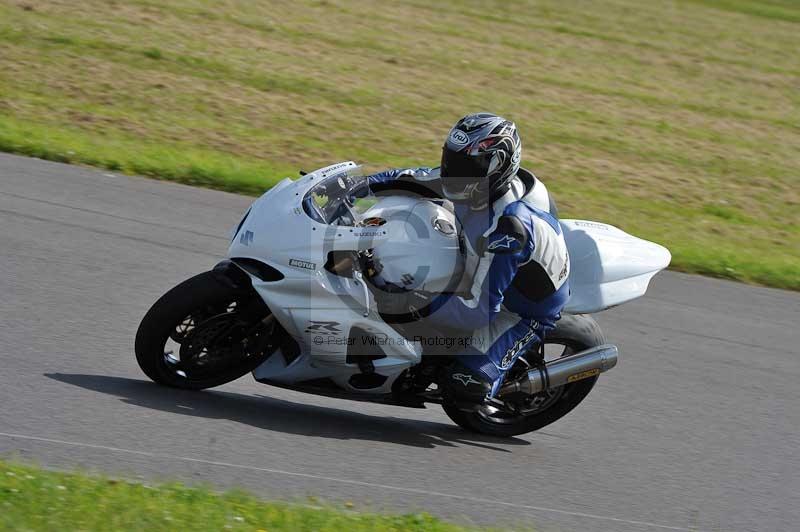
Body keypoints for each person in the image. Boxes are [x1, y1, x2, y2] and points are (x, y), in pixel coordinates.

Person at [367, 113, 571, 409]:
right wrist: (353, 186)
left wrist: (408, 300)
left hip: (519, 310)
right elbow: (408, 178)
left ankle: (487, 377)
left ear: (498, 167)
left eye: (467, 167)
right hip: (479, 261)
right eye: (452, 161)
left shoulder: (508, 230)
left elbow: (478, 312)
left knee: (464, 387)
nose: (452, 173)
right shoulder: (467, 183)